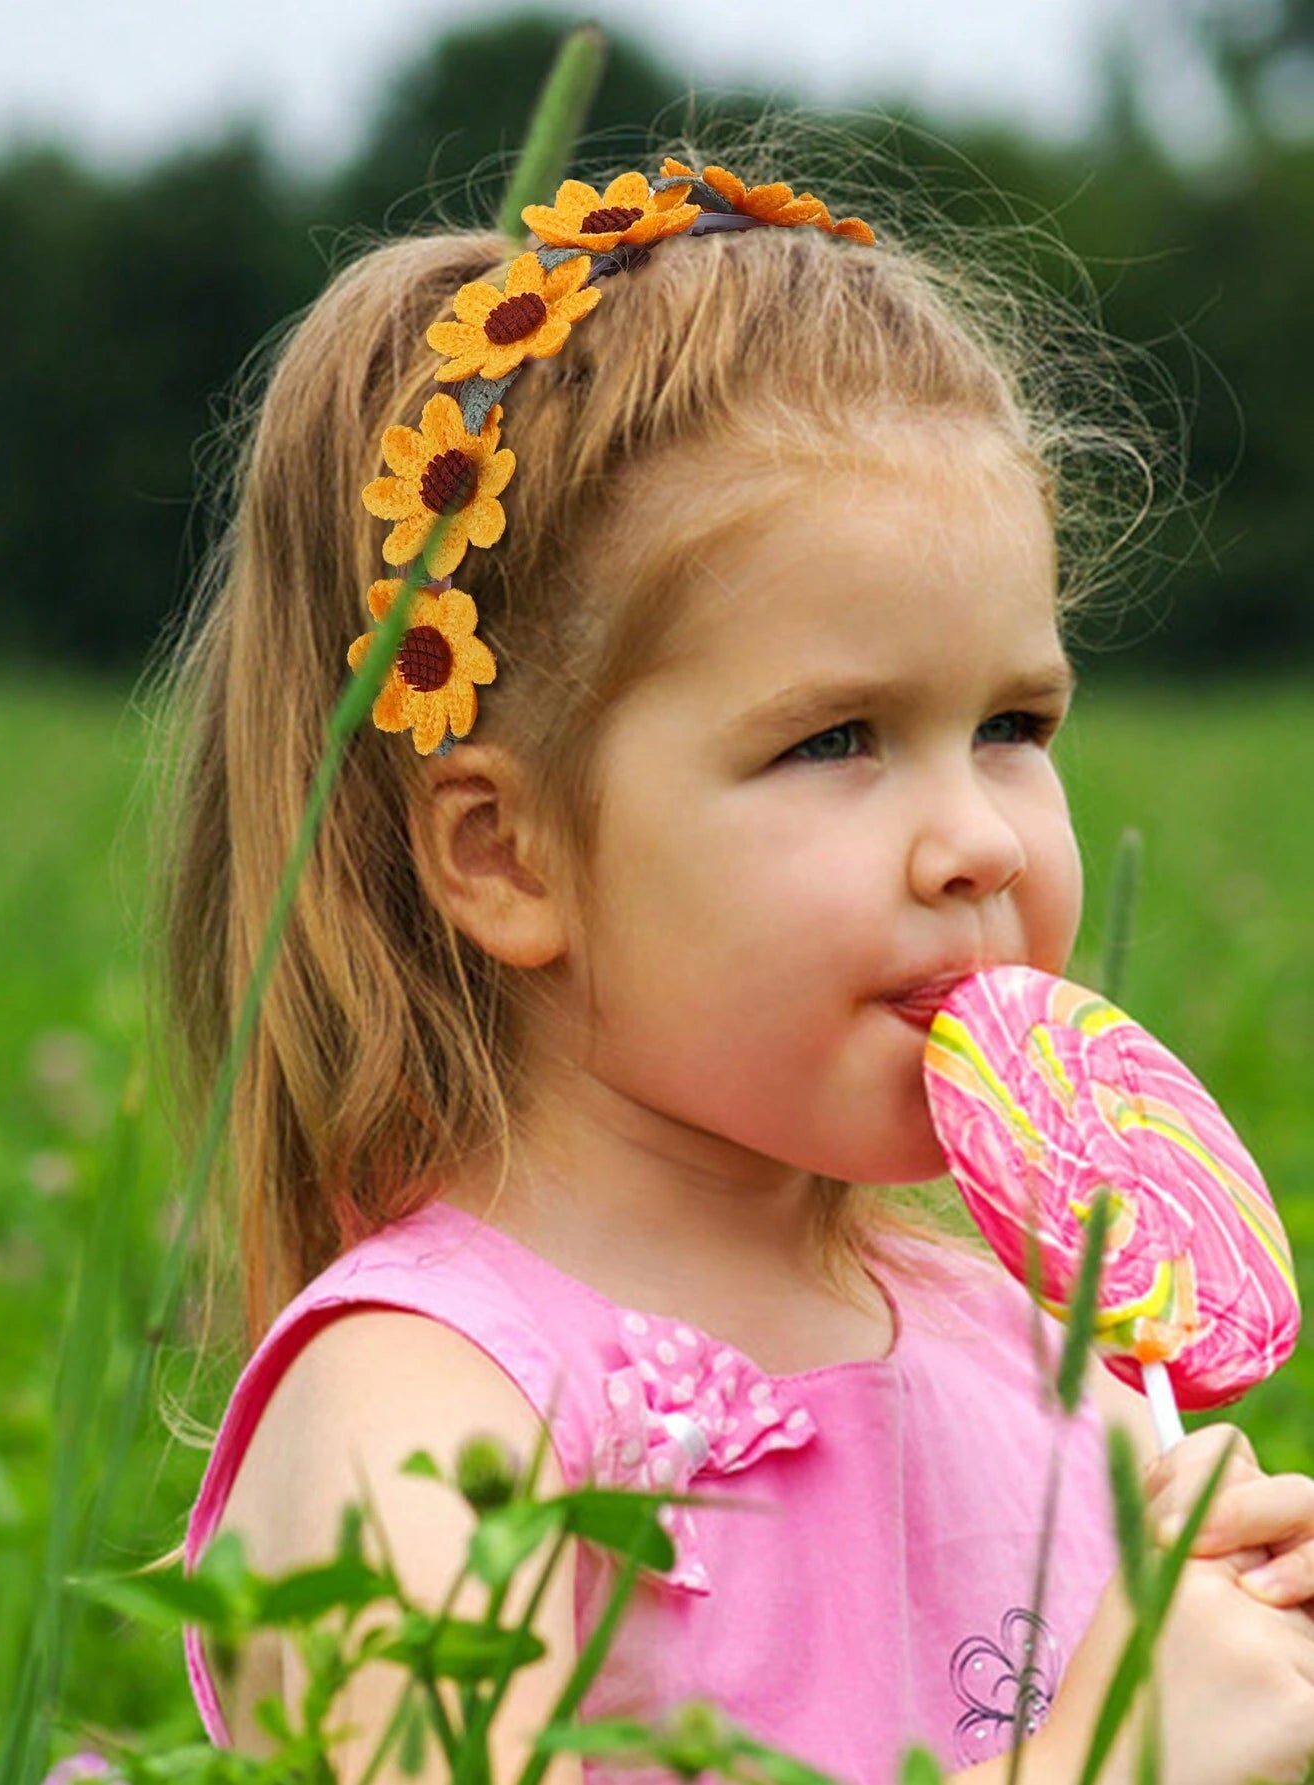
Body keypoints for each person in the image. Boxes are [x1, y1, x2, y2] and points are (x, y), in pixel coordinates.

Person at [148, 139, 1314, 1785]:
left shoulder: (1045, 1354)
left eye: (1011, 724)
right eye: (837, 738)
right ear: (505, 851)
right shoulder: (423, 1416)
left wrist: (1245, 1668)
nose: (976, 834)